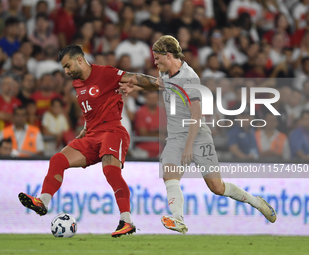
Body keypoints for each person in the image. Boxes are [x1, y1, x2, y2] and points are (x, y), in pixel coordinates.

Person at [120, 35, 277, 234]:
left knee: (217, 187)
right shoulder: (168, 74)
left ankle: (257, 202)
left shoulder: (189, 77)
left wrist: (189, 146)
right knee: (169, 174)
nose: (155, 62)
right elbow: (158, 84)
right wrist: (134, 85)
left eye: (157, 58)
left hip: (198, 135)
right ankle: (178, 220)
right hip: (176, 136)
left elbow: (196, 114)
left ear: (168, 55)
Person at [18, 44, 159, 237]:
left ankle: (127, 221)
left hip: (112, 130)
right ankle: (42, 202)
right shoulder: (77, 83)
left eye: (67, 66)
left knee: (110, 171)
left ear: (79, 60)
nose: (66, 71)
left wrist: (160, 83)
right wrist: (85, 128)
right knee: (57, 160)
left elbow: (136, 78)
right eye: (64, 68)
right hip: (91, 135)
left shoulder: (105, 73)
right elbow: (93, 108)